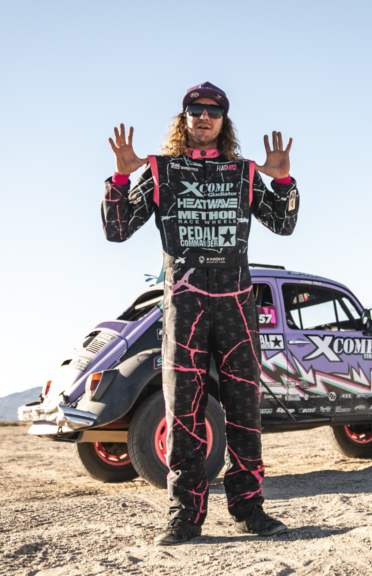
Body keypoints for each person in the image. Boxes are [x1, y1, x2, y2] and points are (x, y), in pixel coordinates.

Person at [101, 82, 299, 545]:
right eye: (195, 109)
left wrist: (283, 181)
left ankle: (249, 509)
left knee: (244, 410)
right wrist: (120, 179)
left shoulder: (243, 173)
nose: (203, 116)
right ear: (184, 118)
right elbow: (117, 229)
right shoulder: (161, 171)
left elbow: (283, 223)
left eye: (213, 110)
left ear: (223, 121)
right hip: (185, 307)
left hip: (236, 307)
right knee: (183, 412)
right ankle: (184, 517)